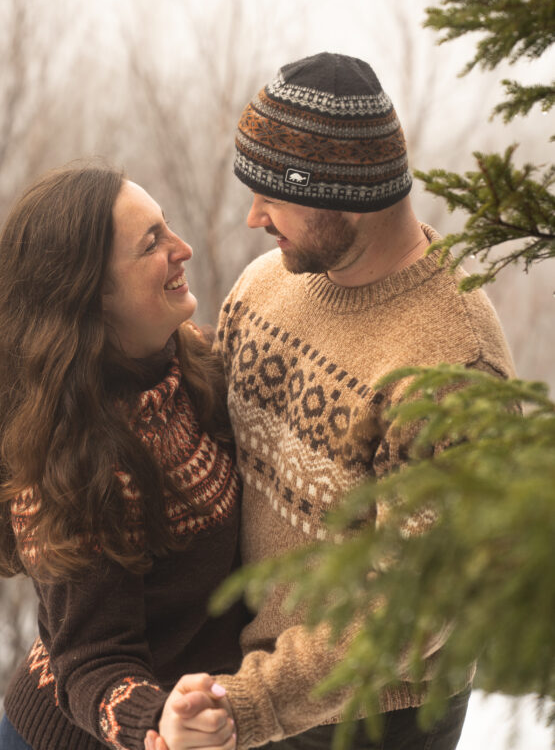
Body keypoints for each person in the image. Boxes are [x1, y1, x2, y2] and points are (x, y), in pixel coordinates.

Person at [155, 52, 515, 750]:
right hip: (246, 675)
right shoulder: (267, 285)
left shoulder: (448, 363)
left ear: (341, 192)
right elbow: (199, 433)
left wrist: (250, 701)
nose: (253, 217)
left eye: (271, 195)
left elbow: (412, 611)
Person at [0, 162, 247, 750]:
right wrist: (157, 721)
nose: (183, 248)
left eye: (166, 227)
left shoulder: (193, 364)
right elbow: (94, 659)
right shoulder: (70, 461)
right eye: (152, 243)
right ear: (92, 296)